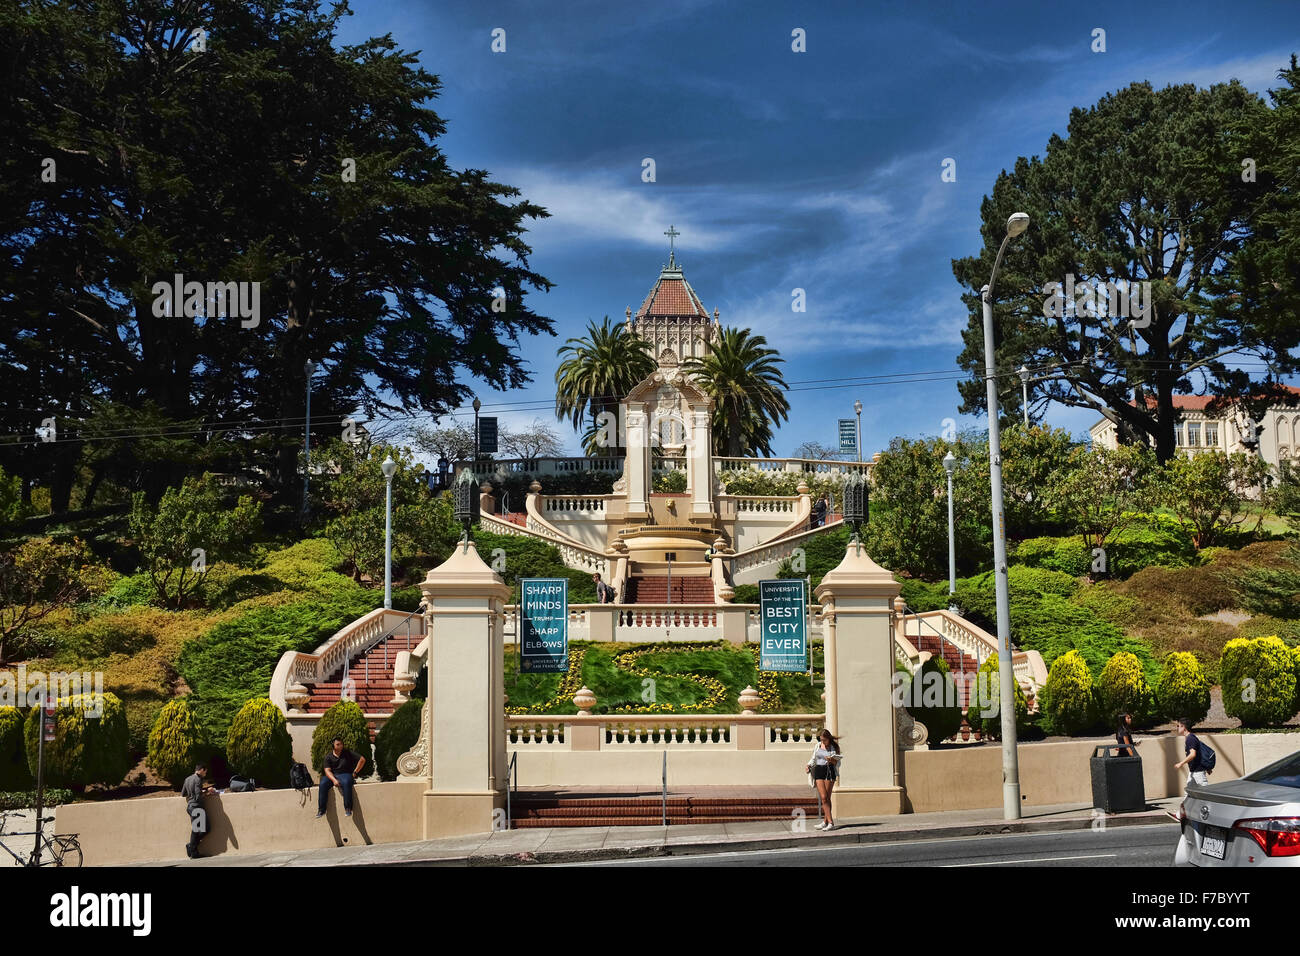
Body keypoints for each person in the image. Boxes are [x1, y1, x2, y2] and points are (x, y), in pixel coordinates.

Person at [318, 736, 366, 818]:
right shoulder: (328, 757)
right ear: (333, 746)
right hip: (333, 776)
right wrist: (334, 780)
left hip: (345, 774)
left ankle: (348, 808)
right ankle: (322, 810)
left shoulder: (347, 753)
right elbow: (327, 771)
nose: (340, 746)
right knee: (322, 783)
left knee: (347, 782)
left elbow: (362, 759)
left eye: (341, 744)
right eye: (338, 744)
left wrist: (355, 772)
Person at [804, 729, 841, 831]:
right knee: (823, 797)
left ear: (829, 739)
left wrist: (832, 760)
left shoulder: (834, 747)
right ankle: (827, 822)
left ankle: (829, 822)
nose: (823, 742)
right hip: (819, 770)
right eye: (821, 740)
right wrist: (808, 765)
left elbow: (838, 763)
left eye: (824, 740)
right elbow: (813, 757)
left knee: (826, 798)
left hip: (829, 771)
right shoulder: (818, 745)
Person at [181, 761, 214, 859]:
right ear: (201, 770)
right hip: (197, 807)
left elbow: (183, 794)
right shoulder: (198, 780)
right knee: (204, 829)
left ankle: (193, 849)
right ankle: (191, 847)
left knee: (199, 829)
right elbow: (198, 796)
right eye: (205, 772)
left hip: (191, 807)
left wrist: (194, 794)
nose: (205, 774)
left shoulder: (187, 779)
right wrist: (207, 792)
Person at [1173, 717, 1207, 791]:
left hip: (1198, 772)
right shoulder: (1189, 738)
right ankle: (1184, 803)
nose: (1177, 728)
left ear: (1184, 727)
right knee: (1189, 792)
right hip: (1193, 771)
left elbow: (1193, 754)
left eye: (1178, 726)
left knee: (1206, 793)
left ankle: (1215, 802)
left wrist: (1180, 763)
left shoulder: (1190, 738)